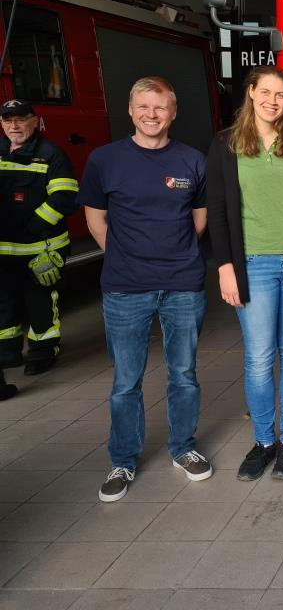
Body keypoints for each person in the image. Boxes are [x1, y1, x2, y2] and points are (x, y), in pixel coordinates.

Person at [78, 77, 212, 502]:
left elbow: (200, 218)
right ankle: (123, 460)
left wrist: (172, 254)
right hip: (125, 287)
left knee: (184, 374)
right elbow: (95, 219)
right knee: (125, 380)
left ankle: (183, 448)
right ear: (130, 110)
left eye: (159, 107)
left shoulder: (192, 160)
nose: (151, 114)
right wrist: (126, 256)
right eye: (143, 106)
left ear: (173, 113)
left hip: (182, 285)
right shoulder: (105, 160)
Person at [207, 65, 283, 483]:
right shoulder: (226, 144)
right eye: (266, 92)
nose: (273, 101)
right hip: (252, 265)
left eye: (281, 95)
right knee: (259, 358)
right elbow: (218, 211)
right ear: (251, 92)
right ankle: (263, 442)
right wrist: (225, 267)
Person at [0, 98, 78, 378]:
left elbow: (65, 196)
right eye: (8, 120)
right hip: (3, 249)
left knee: (40, 303)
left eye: (21, 119)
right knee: (3, 304)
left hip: (40, 248)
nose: (14, 126)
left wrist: (33, 226)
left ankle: (43, 352)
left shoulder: (50, 154)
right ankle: (7, 353)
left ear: (35, 121)